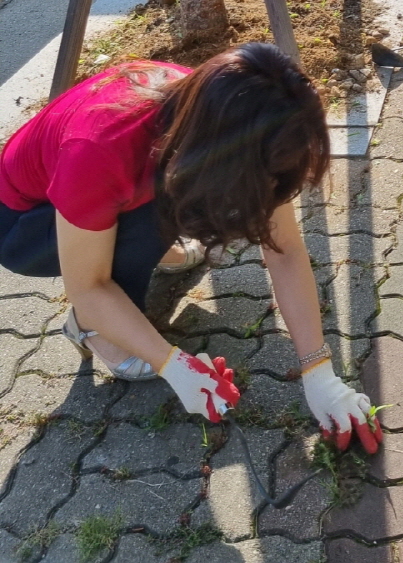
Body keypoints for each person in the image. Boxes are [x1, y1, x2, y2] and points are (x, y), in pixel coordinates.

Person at [0, 45, 382, 451]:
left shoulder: (227, 111)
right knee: (151, 214)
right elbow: (87, 287)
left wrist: (319, 369)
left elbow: (284, 247)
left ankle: (139, 247)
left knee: (174, 197)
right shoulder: (101, 147)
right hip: (22, 226)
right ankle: (92, 329)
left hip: (112, 183)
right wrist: (172, 364)